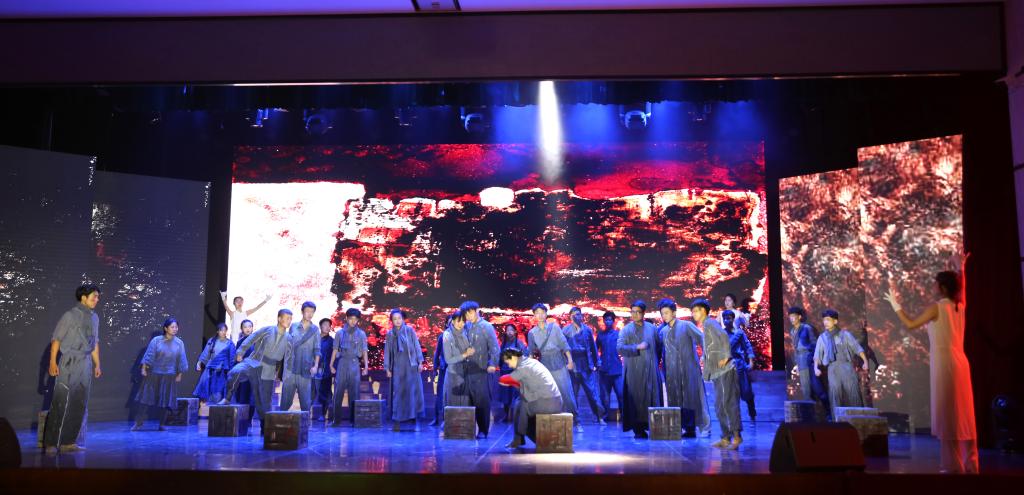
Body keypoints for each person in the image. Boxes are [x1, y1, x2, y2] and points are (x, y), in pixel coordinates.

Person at [884, 253, 978, 474]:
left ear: (943, 288)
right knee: (964, 413)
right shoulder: (959, 305)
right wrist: (961, 269)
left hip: (945, 364)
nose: (933, 287)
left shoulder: (938, 307)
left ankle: (953, 466)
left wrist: (895, 305)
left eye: (936, 284)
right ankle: (971, 464)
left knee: (948, 412)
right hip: (961, 362)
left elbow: (910, 324)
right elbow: (962, 290)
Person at [43, 285, 102, 454]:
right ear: (83, 297)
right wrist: (52, 362)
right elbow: (56, 340)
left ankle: (68, 442)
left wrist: (97, 364)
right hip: (69, 361)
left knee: (80, 403)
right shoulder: (69, 315)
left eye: (98, 297)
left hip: (85, 362)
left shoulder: (95, 317)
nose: (97, 299)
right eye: (94, 296)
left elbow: (95, 343)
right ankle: (51, 443)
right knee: (60, 401)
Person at [221, 309, 293, 434]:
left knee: (263, 401)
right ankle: (227, 397)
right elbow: (251, 338)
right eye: (286, 318)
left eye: (290, 318)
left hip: (268, 370)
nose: (289, 321)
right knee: (235, 372)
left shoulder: (289, 338)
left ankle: (264, 425)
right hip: (253, 362)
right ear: (279, 318)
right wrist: (240, 351)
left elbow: (289, 358)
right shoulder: (267, 330)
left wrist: (285, 374)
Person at [445, 301, 499, 438]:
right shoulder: (466, 326)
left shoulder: (486, 327)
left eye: (470, 312)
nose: (468, 316)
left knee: (481, 401)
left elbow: (494, 348)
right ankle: (468, 429)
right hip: (465, 369)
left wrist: (492, 364)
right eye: (466, 314)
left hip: (481, 369)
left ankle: (483, 430)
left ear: (476, 310)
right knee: (467, 400)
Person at [657, 298, 709, 437]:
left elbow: (703, 339)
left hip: (689, 369)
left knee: (693, 398)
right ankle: (684, 428)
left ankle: (702, 427)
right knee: (675, 399)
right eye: (662, 313)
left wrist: (705, 355)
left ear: (674, 312)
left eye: (667, 313)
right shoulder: (663, 331)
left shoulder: (686, 325)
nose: (664, 316)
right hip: (671, 372)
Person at [526, 303, 579, 431]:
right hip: (544, 365)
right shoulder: (532, 333)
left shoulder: (554, 327)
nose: (540, 315)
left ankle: (576, 421)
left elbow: (564, 344)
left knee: (566, 393)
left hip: (559, 362)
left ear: (546, 314)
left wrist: (570, 361)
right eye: (537, 313)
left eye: (542, 312)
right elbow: (531, 352)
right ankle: (552, 423)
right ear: (534, 315)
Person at [498, 348, 563, 450]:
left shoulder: (523, 367)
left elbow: (503, 379)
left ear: (514, 358)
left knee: (522, 407)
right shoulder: (530, 362)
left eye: (508, 362)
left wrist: (510, 382)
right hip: (555, 400)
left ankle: (531, 439)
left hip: (547, 402)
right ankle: (519, 438)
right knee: (519, 403)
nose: (509, 366)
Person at [617, 300, 663, 439]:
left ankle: (654, 427)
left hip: (650, 370)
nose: (635, 314)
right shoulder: (626, 330)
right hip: (634, 371)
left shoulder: (652, 328)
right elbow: (620, 348)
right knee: (636, 399)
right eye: (633, 312)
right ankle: (638, 429)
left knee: (652, 397)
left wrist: (654, 362)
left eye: (638, 312)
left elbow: (658, 346)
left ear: (643, 313)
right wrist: (637, 347)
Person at [699, 302, 742, 449]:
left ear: (704, 311)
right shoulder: (706, 325)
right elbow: (712, 346)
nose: (694, 314)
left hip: (725, 370)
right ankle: (725, 437)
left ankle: (737, 437)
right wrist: (705, 357)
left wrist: (726, 356)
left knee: (728, 403)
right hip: (718, 371)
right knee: (719, 405)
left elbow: (724, 336)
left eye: (696, 311)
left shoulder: (710, 323)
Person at [132, 318, 188, 431]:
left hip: (169, 375)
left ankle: (162, 424)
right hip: (154, 374)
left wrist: (179, 374)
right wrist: (144, 368)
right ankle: (138, 423)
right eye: (172, 327)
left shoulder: (179, 343)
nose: (175, 329)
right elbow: (149, 354)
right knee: (145, 399)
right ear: (166, 328)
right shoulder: (156, 340)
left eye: (176, 327)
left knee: (165, 401)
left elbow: (181, 359)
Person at [813, 309, 868, 412]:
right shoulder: (822, 338)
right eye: (824, 320)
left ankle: (857, 418)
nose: (825, 322)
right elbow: (817, 355)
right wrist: (816, 368)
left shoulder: (845, 335)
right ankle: (837, 420)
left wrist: (865, 361)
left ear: (835, 321)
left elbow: (857, 348)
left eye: (828, 320)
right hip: (832, 369)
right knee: (835, 395)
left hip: (846, 367)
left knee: (853, 393)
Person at [563, 307, 606, 425]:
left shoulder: (587, 330)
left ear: (581, 316)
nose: (576, 316)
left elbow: (593, 347)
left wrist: (597, 362)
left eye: (578, 314)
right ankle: (574, 418)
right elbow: (562, 349)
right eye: (573, 314)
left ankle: (599, 416)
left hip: (586, 364)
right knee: (573, 394)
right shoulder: (565, 330)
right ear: (570, 316)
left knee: (592, 392)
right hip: (573, 364)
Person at [384, 308, 425, 431]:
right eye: (395, 319)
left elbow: (416, 345)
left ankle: (415, 420)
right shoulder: (390, 334)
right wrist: (387, 368)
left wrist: (420, 362)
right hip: (397, 367)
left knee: (412, 393)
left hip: (411, 366)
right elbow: (387, 352)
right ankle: (397, 421)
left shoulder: (409, 330)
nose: (397, 321)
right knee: (398, 394)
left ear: (402, 319)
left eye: (399, 318)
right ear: (392, 321)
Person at [330, 308, 368, 425]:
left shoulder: (361, 334)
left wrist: (366, 366)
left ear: (358, 320)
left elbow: (364, 350)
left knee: (355, 392)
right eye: (351, 318)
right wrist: (331, 364)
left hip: (354, 363)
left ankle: (354, 420)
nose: (353, 321)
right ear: (346, 318)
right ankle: (336, 420)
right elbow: (335, 349)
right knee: (338, 391)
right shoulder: (339, 333)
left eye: (355, 319)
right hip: (342, 362)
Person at [280, 302, 321, 411]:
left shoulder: (315, 329)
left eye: (312, 312)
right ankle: (280, 420)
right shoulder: (293, 326)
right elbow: (287, 346)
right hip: (291, 369)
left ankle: (305, 421)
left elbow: (317, 349)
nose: (310, 314)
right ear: (302, 312)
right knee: (285, 401)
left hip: (306, 369)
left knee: (305, 402)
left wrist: (316, 366)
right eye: (307, 311)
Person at [788, 306, 828, 407]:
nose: (791, 319)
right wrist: (796, 363)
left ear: (799, 317)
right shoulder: (792, 331)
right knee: (805, 387)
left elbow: (815, 344)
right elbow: (795, 348)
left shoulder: (806, 328)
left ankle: (826, 409)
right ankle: (810, 410)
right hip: (800, 360)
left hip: (809, 358)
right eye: (790, 317)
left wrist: (814, 361)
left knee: (816, 386)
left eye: (794, 316)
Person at [723, 310, 757, 421]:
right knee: (730, 393)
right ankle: (734, 418)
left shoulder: (739, 333)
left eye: (728, 318)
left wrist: (751, 361)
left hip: (739, 365)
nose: (726, 320)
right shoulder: (721, 333)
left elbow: (747, 346)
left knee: (746, 390)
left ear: (733, 319)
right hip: (727, 366)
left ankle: (752, 413)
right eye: (725, 318)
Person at [193, 323, 236, 404]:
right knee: (207, 390)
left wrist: (231, 370)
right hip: (210, 369)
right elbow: (206, 353)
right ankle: (208, 408)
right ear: (217, 331)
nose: (223, 332)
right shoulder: (212, 341)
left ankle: (218, 409)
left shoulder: (230, 343)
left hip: (222, 370)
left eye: (225, 330)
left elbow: (232, 358)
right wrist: (199, 363)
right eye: (221, 330)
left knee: (219, 391)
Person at [595, 311, 624, 424]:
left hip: (616, 369)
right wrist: (598, 361)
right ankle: (605, 416)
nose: (608, 322)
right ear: (604, 321)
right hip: (604, 370)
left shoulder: (618, 334)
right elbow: (595, 350)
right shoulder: (600, 335)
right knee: (604, 396)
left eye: (610, 320)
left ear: (613, 321)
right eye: (606, 320)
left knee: (620, 394)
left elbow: (623, 349)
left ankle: (623, 416)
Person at [498, 323, 528, 422]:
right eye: (508, 330)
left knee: (515, 394)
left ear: (515, 332)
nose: (509, 332)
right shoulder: (503, 344)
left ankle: (516, 416)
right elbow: (500, 357)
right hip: (505, 372)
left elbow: (524, 356)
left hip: (515, 372)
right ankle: (506, 415)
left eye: (511, 330)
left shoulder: (519, 343)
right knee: (505, 394)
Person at [232, 319, 256, 418]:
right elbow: (237, 358)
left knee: (253, 397)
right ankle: (243, 419)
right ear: (242, 329)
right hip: (243, 373)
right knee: (243, 396)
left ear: (252, 328)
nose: (248, 329)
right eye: (245, 327)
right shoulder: (240, 342)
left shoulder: (257, 341)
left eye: (249, 326)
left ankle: (249, 419)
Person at [312, 318, 335, 418]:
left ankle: (323, 414)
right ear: (320, 326)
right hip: (313, 369)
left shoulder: (332, 341)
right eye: (325, 325)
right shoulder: (314, 339)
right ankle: (308, 413)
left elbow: (335, 356)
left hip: (326, 371)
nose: (327, 327)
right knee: (311, 392)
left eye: (329, 326)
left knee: (325, 392)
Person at [429, 319, 448, 427]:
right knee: (440, 395)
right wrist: (435, 368)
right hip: (444, 369)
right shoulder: (442, 336)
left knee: (450, 396)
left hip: (454, 370)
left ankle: (447, 419)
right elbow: (437, 353)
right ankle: (436, 418)